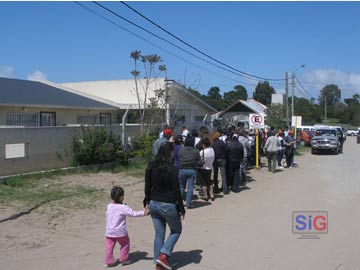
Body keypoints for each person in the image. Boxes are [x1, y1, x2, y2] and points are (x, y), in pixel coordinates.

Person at [144, 142, 185, 270]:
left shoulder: (151, 165)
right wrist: (181, 208)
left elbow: (147, 186)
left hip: (154, 203)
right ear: (170, 153)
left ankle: (158, 263)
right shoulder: (172, 168)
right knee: (176, 230)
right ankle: (163, 255)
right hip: (168, 204)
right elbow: (176, 190)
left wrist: (146, 202)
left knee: (159, 234)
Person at [105, 186, 149, 268]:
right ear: (121, 197)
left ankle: (109, 261)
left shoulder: (109, 206)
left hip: (109, 232)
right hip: (120, 232)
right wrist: (144, 213)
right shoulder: (123, 207)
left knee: (109, 246)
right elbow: (133, 213)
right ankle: (124, 259)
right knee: (125, 244)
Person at [179, 136, 201, 208]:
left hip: (182, 170)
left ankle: (179, 204)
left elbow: (179, 157)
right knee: (190, 188)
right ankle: (188, 204)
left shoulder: (181, 150)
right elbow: (198, 160)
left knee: (181, 187)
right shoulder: (196, 151)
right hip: (192, 170)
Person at [197, 137, 215, 201]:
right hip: (210, 167)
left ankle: (205, 195)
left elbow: (199, 160)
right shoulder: (212, 150)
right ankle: (212, 195)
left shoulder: (202, 152)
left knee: (203, 183)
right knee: (209, 182)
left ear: (203, 144)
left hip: (203, 168)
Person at [212, 129, 228, 194]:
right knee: (223, 174)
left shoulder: (213, 143)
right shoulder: (221, 142)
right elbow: (225, 150)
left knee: (215, 175)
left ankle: (216, 189)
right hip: (222, 159)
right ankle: (225, 189)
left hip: (215, 160)